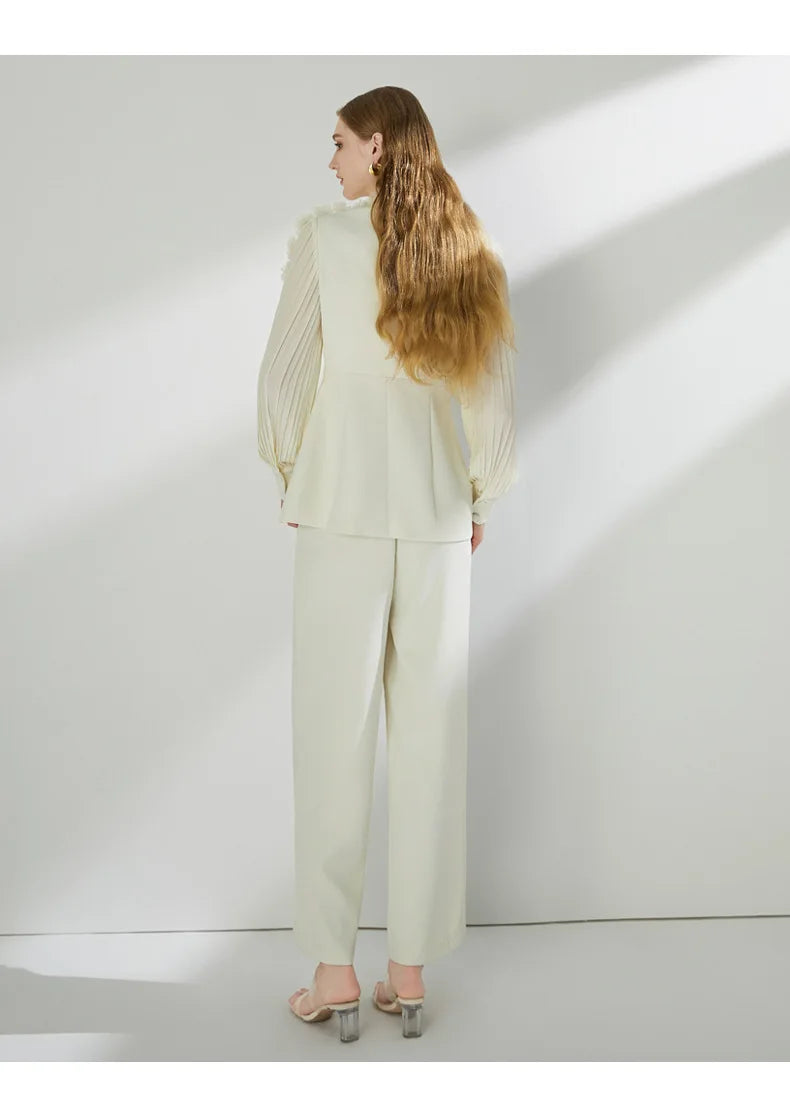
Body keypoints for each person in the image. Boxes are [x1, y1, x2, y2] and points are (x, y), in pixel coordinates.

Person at [256, 86, 519, 1042]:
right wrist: (478, 494)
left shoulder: (324, 238)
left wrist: (294, 470)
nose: (329, 159)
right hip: (437, 514)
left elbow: (284, 376)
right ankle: (407, 972)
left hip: (340, 508)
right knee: (431, 735)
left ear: (376, 145)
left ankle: (335, 970)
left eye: (338, 142)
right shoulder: (468, 245)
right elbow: (490, 395)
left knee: (332, 733)